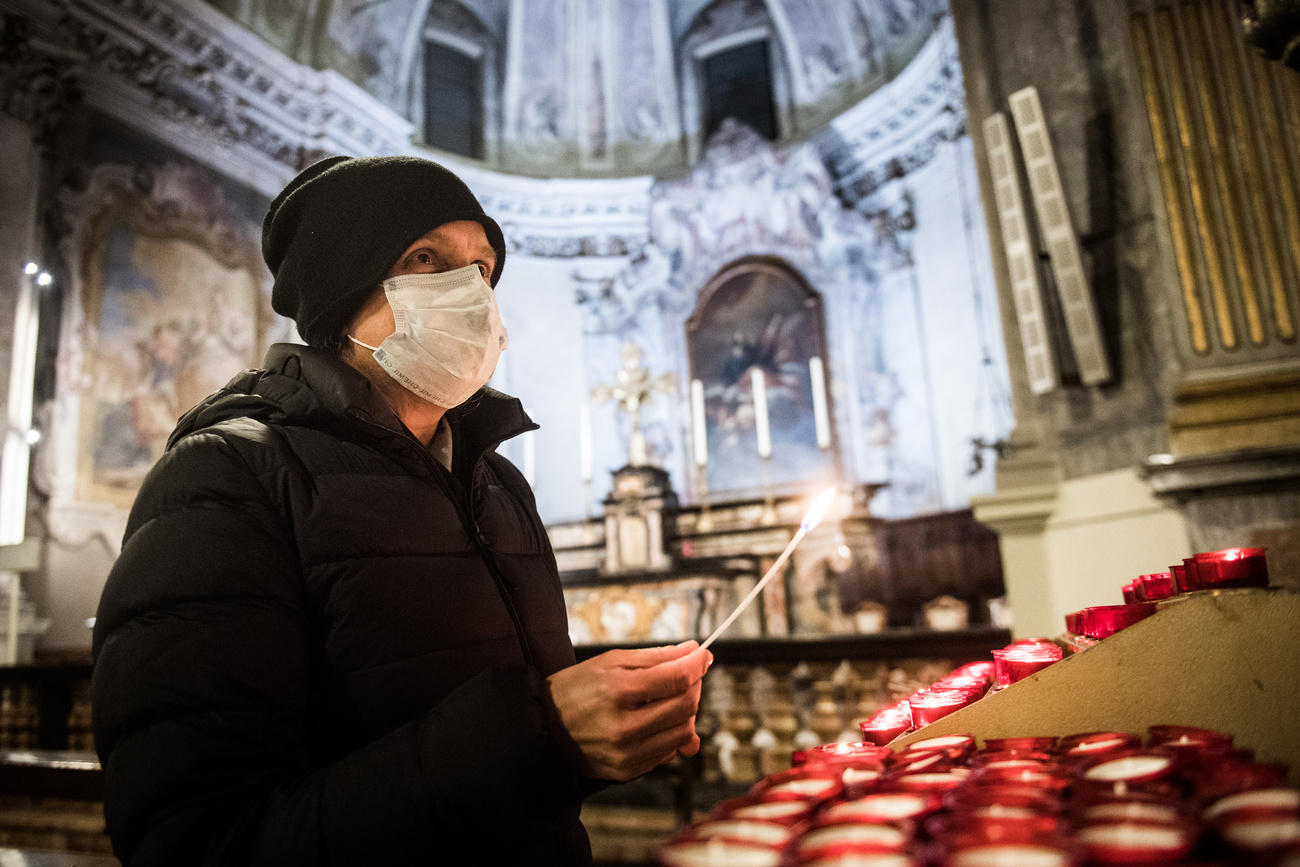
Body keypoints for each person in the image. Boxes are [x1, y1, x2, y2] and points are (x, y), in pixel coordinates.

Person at [91, 155, 711, 866]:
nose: (472, 292)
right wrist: (539, 732)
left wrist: (602, 735)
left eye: (483, 268)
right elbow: (196, 841)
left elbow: (522, 763)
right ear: (340, 290)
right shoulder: (226, 479)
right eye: (428, 259)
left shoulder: (500, 485)